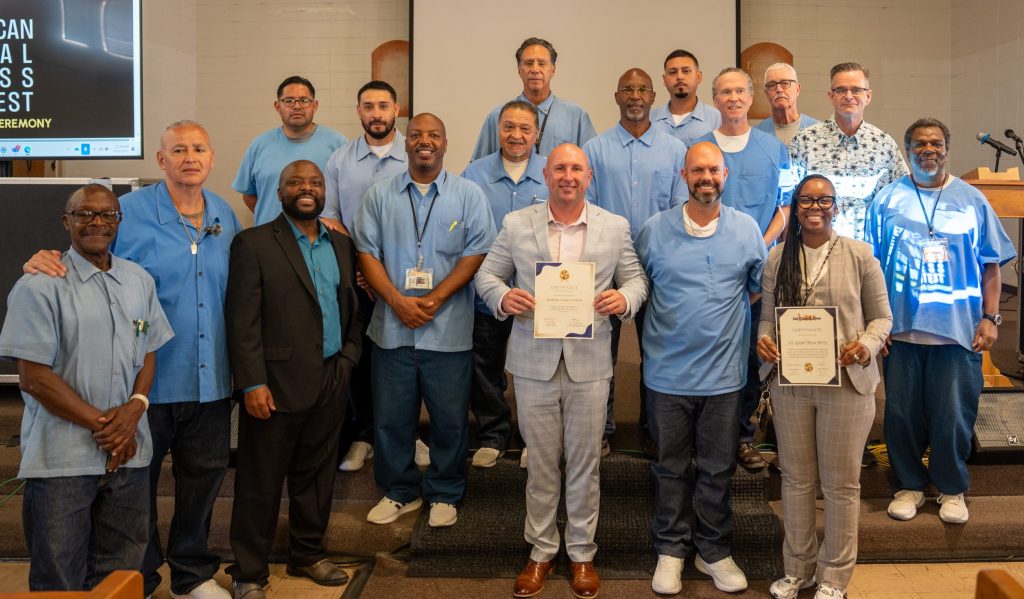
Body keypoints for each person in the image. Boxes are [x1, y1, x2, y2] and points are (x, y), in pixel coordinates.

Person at [21, 121, 240, 599]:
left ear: (212, 157)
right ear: (160, 160)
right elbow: (85, 258)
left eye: (199, 148)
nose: (189, 156)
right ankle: (138, 579)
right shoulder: (127, 212)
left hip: (211, 379)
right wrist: (40, 259)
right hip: (142, 386)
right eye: (178, 149)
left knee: (201, 482)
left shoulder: (224, 213)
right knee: (133, 491)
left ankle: (192, 575)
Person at [475, 143, 648, 599]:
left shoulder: (614, 226)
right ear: (545, 176)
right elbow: (487, 276)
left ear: (589, 176)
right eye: (559, 169)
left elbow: (636, 280)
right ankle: (540, 551)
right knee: (542, 462)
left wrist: (624, 299)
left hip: (590, 362)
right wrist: (502, 297)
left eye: (576, 168)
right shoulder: (517, 223)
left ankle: (582, 552)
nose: (567, 176)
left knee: (586, 461)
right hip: (533, 361)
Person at [0, 185, 173, 591]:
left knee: (122, 578)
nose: (97, 222)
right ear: (67, 221)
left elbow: (147, 349)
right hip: (63, 461)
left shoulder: (139, 281)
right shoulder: (40, 285)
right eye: (85, 214)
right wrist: (110, 429)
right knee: (59, 579)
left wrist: (135, 409)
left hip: (128, 460)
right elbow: (34, 378)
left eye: (107, 214)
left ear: (118, 221)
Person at [867, 118, 1015, 525]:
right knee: (900, 414)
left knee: (954, 414)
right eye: (919, 143)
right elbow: (872, 269)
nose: (927, 149)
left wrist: (991, 317)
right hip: (901, 330)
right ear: (908, 149)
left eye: (935, 143)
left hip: (959, 329)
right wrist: (875, 326)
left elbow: (991, 265)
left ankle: (951, 489)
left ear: (947, 149)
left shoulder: (972, 200)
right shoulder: (886, 200)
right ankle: (910, 485)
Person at [225, 161, 362, 599]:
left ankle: (308, 554)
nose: (307, 188)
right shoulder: (253, 243)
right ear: (279, 191)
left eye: (315, 183)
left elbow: (349, 305)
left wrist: (347, 359)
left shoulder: (340, 244)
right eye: (296, 182)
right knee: (259, 482)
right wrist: (251, 383)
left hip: (330, 377)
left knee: (317, 477)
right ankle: (249, 572)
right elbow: (242, 320)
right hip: (273, 385)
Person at [636, 142, 765, 596]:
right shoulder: (654, 230)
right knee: (670, 468)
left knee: (716, 468)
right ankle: (670, 551)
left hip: (725, 379)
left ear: (725, 175)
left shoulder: (747, 229)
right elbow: (640, 288)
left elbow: (752, 290)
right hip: (667, 376)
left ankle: (714, 551)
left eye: (713, 170)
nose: (705, 177)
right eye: (697, 170)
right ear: (684, 175)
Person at [354, 113, 496, 528]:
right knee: (392, 418)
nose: (424, 141)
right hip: (392, 330)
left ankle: (445, 492)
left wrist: (433, 298)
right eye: (416, 135)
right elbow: (367, 253)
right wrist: (396, 301)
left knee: (450, 419)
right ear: (406, 143)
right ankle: (399, 491)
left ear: (445, 143)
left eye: (434, 134)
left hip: (448, 331)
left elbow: (476, 254)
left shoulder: (468, 194)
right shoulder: (380, 195)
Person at [756, 175, 892, 599]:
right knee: (795, 480)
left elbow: (883, 320)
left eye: (824, 200)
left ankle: (833, 576)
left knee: (840, 485)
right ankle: (798, 569)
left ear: (836, 207)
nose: (815, 207)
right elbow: (766, 320)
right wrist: (764, 341)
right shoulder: (777, 258)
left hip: (846, 386)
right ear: (795, 208)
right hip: (792, 383)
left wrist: (866, 345)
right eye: (806, 200)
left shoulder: (860, 255)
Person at [693, 67, 791, 470]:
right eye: (724, 92)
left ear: (752, 99)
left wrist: (762, 244)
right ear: (714, 99)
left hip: (759, 268)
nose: (733, 98)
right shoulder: (698, 147)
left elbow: (786, 205)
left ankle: (742, 437)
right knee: (707, 352)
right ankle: (702, 437)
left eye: (740, 91)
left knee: (751, 356)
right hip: (707, 270)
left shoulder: (774, 149)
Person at [583, 67, 687, 450]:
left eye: (643, 88)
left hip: (658, 268)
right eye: (627, 88)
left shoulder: (676, 151)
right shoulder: (594, 150)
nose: (635, 95)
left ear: (653, 96)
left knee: (657, 355)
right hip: (604, 270)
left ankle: (652, 430)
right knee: (600, 356)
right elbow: (587, 208)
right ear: (616, 96)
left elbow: (679, 210)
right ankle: (603, 430)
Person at [321, 80, 409, 473]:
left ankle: (408, 433)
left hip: (407, 278)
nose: (376, 113)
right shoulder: (340, 160)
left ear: (396, 109)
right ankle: (364, 435)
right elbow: (329, 217)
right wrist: (361, 265)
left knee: (404, 357)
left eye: (383, 106)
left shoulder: (416, 153)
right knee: (358, 356)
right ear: (359, 111)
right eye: (368, 106)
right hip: (355, 278)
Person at [461, 100, 548, 469]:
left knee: (538, 370)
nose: (516, 135)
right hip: (489, 291)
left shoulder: (552, 170)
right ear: (498, 130)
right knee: (485, 364)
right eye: (509, 127)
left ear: (536, 133)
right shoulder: (473, 175)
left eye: (525, 129)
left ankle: (533, 438)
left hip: (540, 295)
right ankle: (493, 434)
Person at [790, 63, 908, 241]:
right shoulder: (805, 142)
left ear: (868, 96)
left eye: (856, 90)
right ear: (831, 96)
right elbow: (789, 201)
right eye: (841, 90)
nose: (849, 96)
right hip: (815, 249)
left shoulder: (884, 146)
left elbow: (902, 201)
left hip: (869, 253)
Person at [234, 75, 348, 225]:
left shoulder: (338, 144)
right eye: (289, 101)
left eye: (304, 100)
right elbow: (249, 195)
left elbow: (347, 197)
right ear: (277, 106)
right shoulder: (259, 144)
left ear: (314, 106)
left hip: (320, 239)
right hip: (270, 239)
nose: (296, 106)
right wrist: (276, 223)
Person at [471, 37, 597, 160]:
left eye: (542, 64)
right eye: (528, 63)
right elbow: (479, 168)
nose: (535, 70)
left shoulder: (576, 116)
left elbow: (590, 166)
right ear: (519, 70)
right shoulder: (497, 116)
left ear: (553, 70)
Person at [651, 49, 722, 147]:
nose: (680, 77)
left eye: (686, 71)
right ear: (664, 79)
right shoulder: (650, 119)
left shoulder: (716, 119)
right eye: (672, 72)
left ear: (698, 76)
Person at [754, 63, 818, 147]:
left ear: (797, 89)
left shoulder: (818, 130)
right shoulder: (757, 135)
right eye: (772, 85)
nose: (779, 90)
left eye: (785, 83)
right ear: (766, 93)